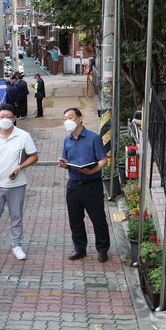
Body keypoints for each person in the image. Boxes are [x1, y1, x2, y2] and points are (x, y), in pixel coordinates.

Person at [0, 104, 39, 260]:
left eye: (8, 116)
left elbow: (34, 156)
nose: (4, 119)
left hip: (16, 184)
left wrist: (19, 167)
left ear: (14, 118)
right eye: (1, 116)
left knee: (16, 216)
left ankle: (17, 245)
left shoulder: (23, 136)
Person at [57, 107, 110, 263]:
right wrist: (64, 164)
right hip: (73, 185)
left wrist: (91, 171)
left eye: (70, 117)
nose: (67, 121)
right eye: (65, 119)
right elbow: (67, 161)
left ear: (80, 119)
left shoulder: (93, 138)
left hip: (92, 185)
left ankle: (102, 250)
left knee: (98, 219)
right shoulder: (67, 140)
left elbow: (104, 161)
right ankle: (80, 249)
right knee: (75, 220)